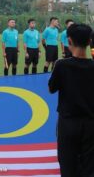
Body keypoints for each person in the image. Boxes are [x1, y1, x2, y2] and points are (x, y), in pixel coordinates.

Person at [48, 23, 94, 177]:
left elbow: (51, 88)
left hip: (68, 123)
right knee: (89, 166)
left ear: (69, 41)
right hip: (90, 123)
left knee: (67, 164)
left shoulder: (62, 65)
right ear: (89, 41)